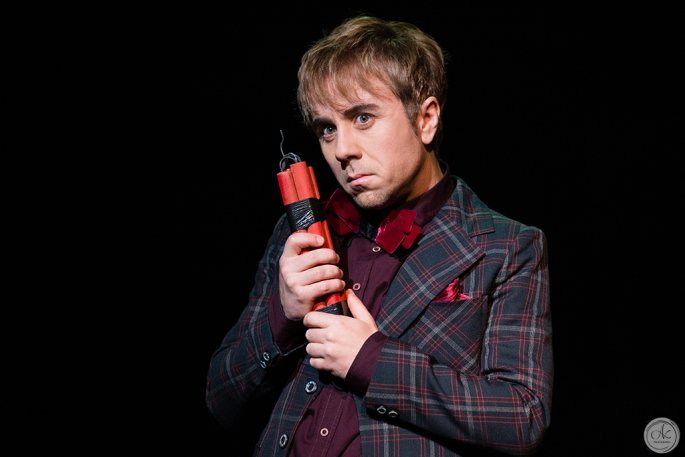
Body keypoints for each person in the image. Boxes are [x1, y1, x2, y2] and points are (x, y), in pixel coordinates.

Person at [206, 15, 553, 456]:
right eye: (327, 128)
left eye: (363, 117)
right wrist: (283, 317)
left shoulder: (506, 245)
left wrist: (372, 361)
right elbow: (222, 402)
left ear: (426, 119)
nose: (342, 149)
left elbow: (522, 418)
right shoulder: (299, 233)